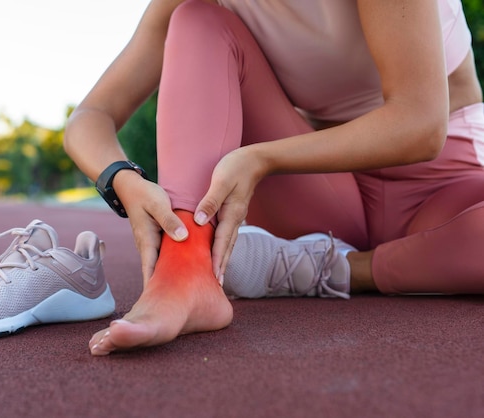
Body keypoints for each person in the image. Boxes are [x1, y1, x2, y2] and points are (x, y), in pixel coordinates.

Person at [63, 0, 484, 356]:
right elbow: (90, 116)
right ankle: (185, 272)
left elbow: (421, 126)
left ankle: (333, 269)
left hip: (445, 189)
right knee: (196, 17)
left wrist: (262, 158)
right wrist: (121, 178)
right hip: (324, 190)